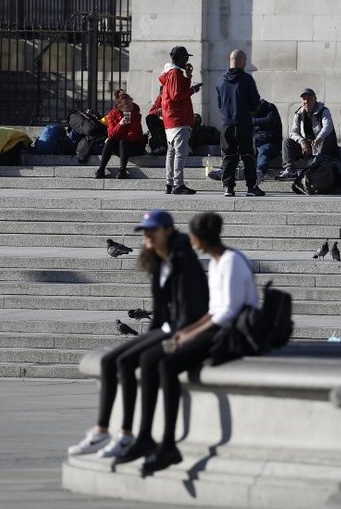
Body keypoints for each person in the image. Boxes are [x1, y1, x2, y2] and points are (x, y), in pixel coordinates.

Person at [67, 210, 208, 459]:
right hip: (165, 327)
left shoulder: (183, 259)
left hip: (185, 330)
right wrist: (149, 337)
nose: (146, 236)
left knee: (138, 361)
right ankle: (102, 431)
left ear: (167, 231)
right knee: (111, 360)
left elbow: (194, 307)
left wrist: (171, 338)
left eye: (151, 230)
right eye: (144, 231)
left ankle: (131, 434)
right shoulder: (158, 258)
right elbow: (160, 311)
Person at [139, 212, 259, 477]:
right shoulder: (217, 262)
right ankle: (151, 436)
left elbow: (226, 314)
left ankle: (169, 442)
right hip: (219, 329)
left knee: (169, 366)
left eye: (191, 234)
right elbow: (213, 310)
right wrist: (186, 332)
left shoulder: (230, 262)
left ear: (200, 237)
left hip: (233, 335)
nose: (189, 239)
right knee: (156, 357)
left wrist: (191, 336)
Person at [216, 49, 264, 198]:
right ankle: (251, 187)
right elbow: (255, 102)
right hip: (243, 122)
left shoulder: (220, 80)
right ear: (242, 61)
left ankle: (228, 188)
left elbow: (219, 104)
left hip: (225, 124)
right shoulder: (247, 79)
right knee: (248, 155)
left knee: (228, 156)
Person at [160, 46, 202, 195]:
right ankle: (178, 184)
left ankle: (169, 183)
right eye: (185, 58)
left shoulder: (173, 74)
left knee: (171, 153)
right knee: (180, 153)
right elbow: (177, 95)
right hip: (178, 119)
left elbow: (177, 91)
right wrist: (193, 90)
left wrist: (189, 76)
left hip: (171, 119)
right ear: (179, 59)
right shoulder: (174, 74)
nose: (187, 60)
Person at [275, 88, 339, 181]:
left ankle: (315, 165)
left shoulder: (324, 111)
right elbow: (293, 132)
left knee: (327, 137)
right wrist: (302, 141)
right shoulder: (299, 113)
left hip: (321, 145)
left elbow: (328, 126)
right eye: (304, 99)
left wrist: (319, 138)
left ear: (315, 99)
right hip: (307, 146)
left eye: (309, 98)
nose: (306, 101)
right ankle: (290, 170)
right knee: (287, 142)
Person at [96, 90, 145, 179]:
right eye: (127, 106)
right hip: (121, 146)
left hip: (135, 146)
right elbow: (111, 135)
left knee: (123, 141)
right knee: (110, 141)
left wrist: (120, 135)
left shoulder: (135, 114)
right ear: (120, 107)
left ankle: (122, 170)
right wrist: (120, 125)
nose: (130, 107)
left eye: (131, 104)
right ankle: (101, 170)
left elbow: (133, 135)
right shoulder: (112, 115)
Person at [252, 99, 283, 185]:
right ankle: (226, 169)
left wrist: (251, 121)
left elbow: (269, 120)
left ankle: (260, 172)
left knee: (264, 150)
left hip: (272, 143)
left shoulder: (270, 108)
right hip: (256, 142)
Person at [146, 85, 167, 156]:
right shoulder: (159, 99)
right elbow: (152, 111)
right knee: (150, 118)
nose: (163, 96)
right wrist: (157, 111)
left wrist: (166, 111)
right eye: (162, 94)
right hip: (163, 124)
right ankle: (159, 146)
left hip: (173, 124)